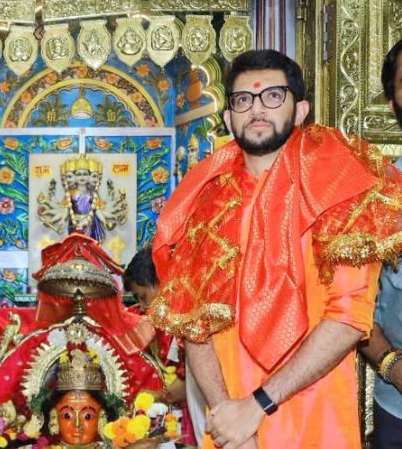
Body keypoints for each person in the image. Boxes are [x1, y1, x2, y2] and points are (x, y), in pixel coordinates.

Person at [148, 49, 402, 449]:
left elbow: (349, 318)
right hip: (233, 431)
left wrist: (257, 406)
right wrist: (229, 417)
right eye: (243, 100)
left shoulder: (339, 186)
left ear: (300, 110)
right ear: (229, 117)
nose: (257, 109)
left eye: (273, 96)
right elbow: (195, 327)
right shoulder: (205, 202)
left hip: (315, 426)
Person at [359, 37, 402, 449]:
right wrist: (392, 365)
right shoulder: (376, 199)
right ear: (393, 102)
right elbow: (350, 306)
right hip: (398, 408)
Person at [123, 247, 203, 446]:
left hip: (191, 417)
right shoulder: (144, 319)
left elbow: (192, 380)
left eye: (143, 296)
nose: (142, 306)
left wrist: (157, 396)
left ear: (161, 283)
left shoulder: (189, 316)